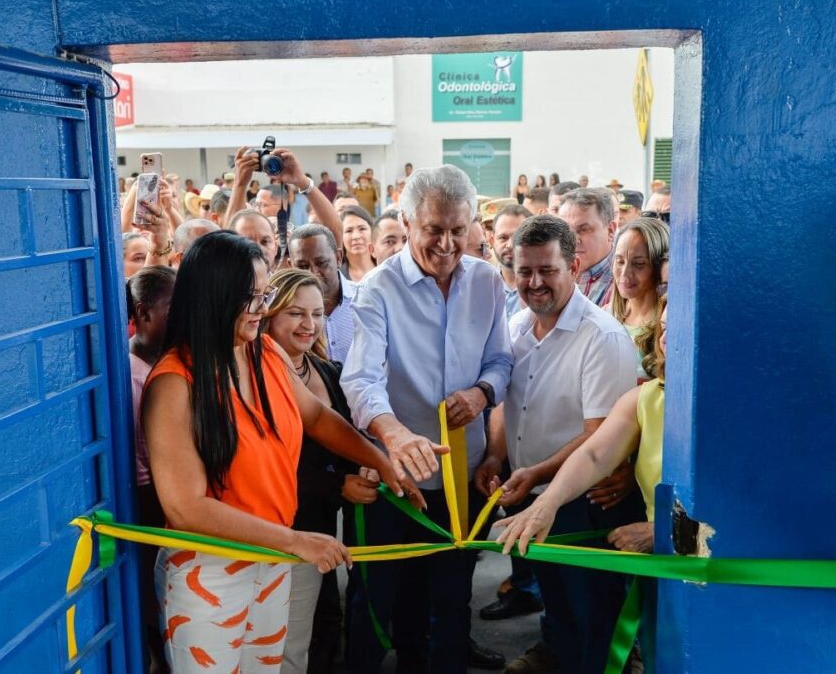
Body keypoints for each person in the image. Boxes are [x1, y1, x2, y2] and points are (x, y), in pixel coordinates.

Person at [143, 232, 422, 673]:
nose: (262, 309)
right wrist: (295, 541)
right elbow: (186, 507)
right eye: (250, 298)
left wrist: (381, 460)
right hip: (210, 570)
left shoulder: (263, 351)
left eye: (265, 294)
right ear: (213, 297)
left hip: (273, 557)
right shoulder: (175, 383)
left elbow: (316, 417)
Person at [342, 164, 514, 674]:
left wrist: (483, 394)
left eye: (458, 230)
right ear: (406, 221)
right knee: (380, 603)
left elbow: (501, 362)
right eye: (433, 230)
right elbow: (361, 380)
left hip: (463, 478)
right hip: (397, 480)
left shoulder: (485, 282)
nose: (445, 244)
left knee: (452, 602)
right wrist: (393, 434)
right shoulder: (378, 289)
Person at [476, 215, 643, 674]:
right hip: (530, 496)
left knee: (594, 623)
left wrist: (537, 475)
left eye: (547, 270)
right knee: (560, 616)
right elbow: (505, 406)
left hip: (584, 502)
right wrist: (495, 455)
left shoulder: (602, 337)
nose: (533, 282)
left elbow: (600, 436)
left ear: (573, 265)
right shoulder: (514, 328)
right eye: (524, 270)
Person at [497, 298, 668, 672]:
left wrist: (663, 532)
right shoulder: (644, 398)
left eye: (681, 328)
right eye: (665, 328)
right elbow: (594, 454)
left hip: (708, 572)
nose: (669, 338)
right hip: (663, 573)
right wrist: (547, 504)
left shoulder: (728, 404)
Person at [261, 269, 388, 674]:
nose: (308, 324)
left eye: (316, 314)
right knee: (284, 640)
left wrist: (367, 469)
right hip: (278, 527)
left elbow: (348, 436)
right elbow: (266, 462)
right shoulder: (257, 378)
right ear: (268, 314)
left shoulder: (329, 371)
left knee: (326, 622)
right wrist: (337, 485)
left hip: (323, 526)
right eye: (295, 313)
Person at [126, 265, 177, 674]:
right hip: (150, 503)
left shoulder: (166, 364)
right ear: (143, 315)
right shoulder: (134, 377)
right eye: (173, 308)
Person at [611, 218, 670, 382]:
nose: (624, 274)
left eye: (639, 264)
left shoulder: (666, 326)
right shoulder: (605, 314)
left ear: (660, 268)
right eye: (619, 261)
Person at [287, 224, 356, 364]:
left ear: (338, 258)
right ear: (290, 266)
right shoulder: (284, 313)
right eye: (302, 266)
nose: (313, 273)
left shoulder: (366, 300)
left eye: (321, 263)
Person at [557, 188, 617, 307]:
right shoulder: (552, 275)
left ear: (610, 230)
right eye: (565, 231)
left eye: (583, 230)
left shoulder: (625, 282)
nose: (573, 240)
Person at [485, 203, 532, 321]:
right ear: (491, 240)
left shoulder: (545, 288)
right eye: (503, 238)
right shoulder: (482, 285)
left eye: (519, 238)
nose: (510, 245)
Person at [339, 205, 377, 282]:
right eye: (349, 231)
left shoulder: (386, 269)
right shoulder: (338, 277)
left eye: (362, 229)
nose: (356, 236)